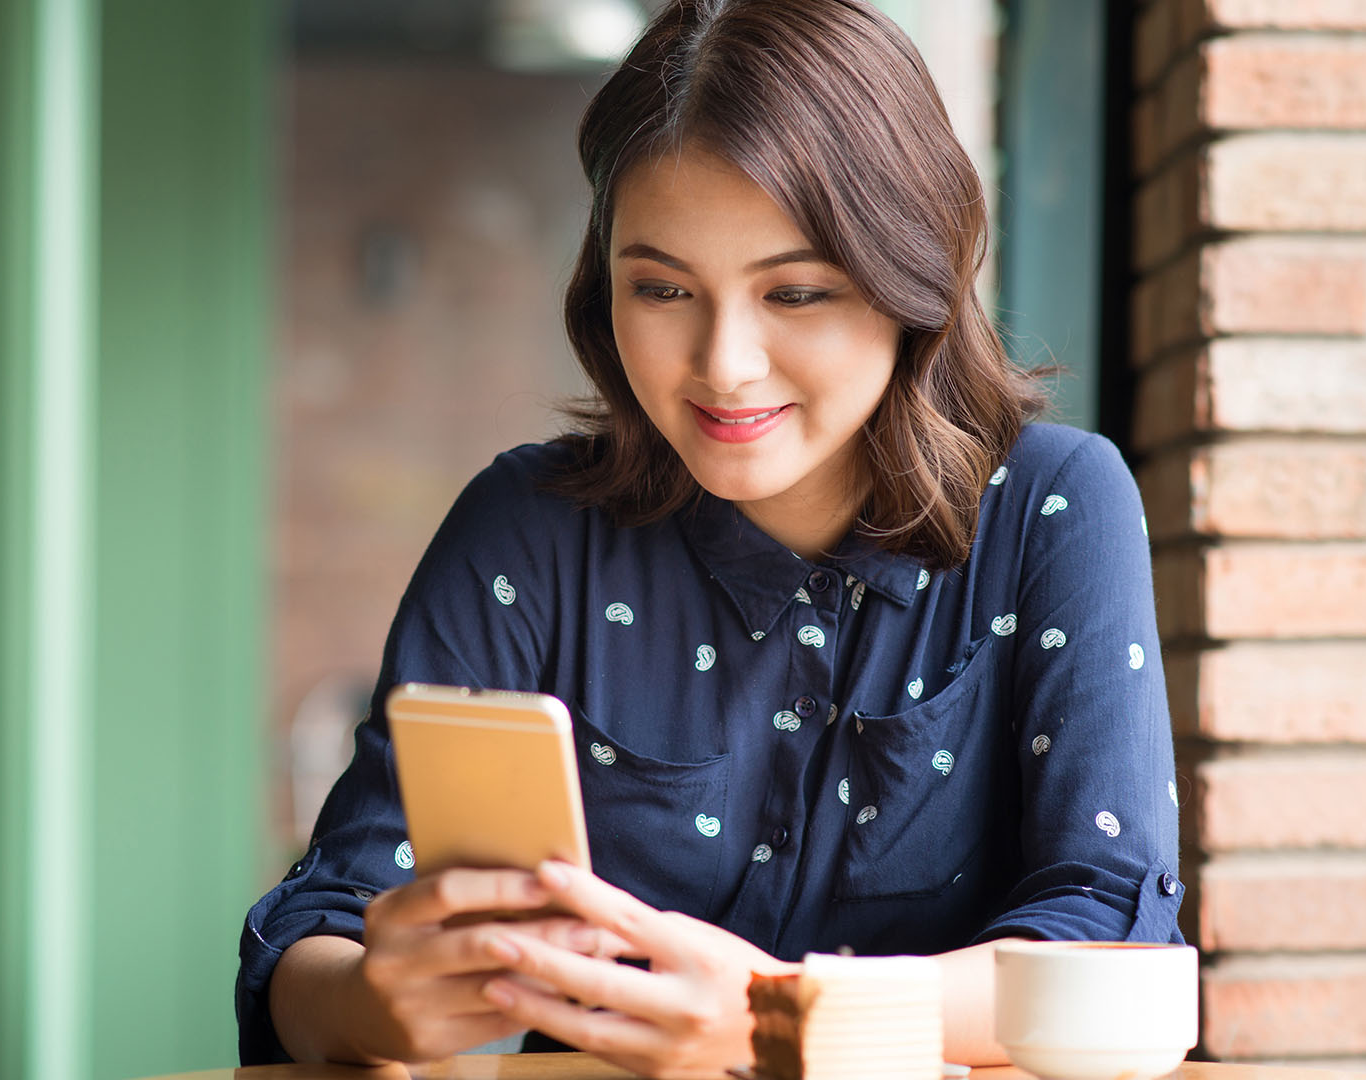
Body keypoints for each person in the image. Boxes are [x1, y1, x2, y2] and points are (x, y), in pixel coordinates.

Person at [236, 0, 1182, 1075]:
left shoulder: (1054, 505)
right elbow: (330, 922)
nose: (724, 362)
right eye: (665, 288)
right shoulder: (527, 533)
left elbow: (1112, 936)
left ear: (911, 278)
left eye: (796, 291)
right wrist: (371, 1000)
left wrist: (777, 1012)